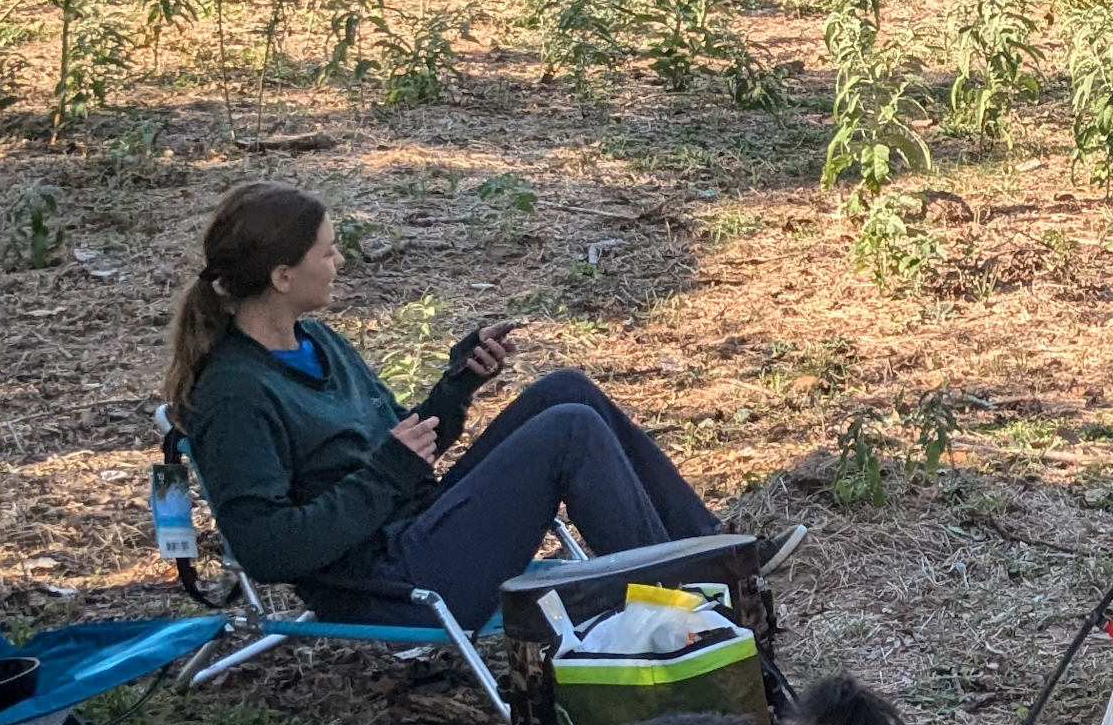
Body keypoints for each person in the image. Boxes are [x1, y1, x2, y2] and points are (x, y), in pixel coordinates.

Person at [164, 182, 752, 630]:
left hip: (420, 525)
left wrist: (458, 385)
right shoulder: (236, 395)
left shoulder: (317, 342)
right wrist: (384, 476)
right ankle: (683, 610)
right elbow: (268, 549)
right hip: (390, 583)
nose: (340, 261)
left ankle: (715, 558)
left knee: (565, 389)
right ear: (283, 275)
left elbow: (405, 447)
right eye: (329, 251)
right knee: (568, 430)